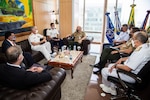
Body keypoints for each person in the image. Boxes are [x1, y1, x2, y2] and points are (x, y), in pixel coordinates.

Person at [100, 31, 150, 95]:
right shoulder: (145, 47)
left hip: (131, 75)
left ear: (137, 41)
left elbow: (128, 68)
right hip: (132, 71)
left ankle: (109, 88)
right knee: (110, 65)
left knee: (104, 70)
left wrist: (116, 65)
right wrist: (122, 59)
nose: (131, 40)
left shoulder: (140, 53)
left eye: (133, 39)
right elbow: (133, 58)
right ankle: (112, 87)